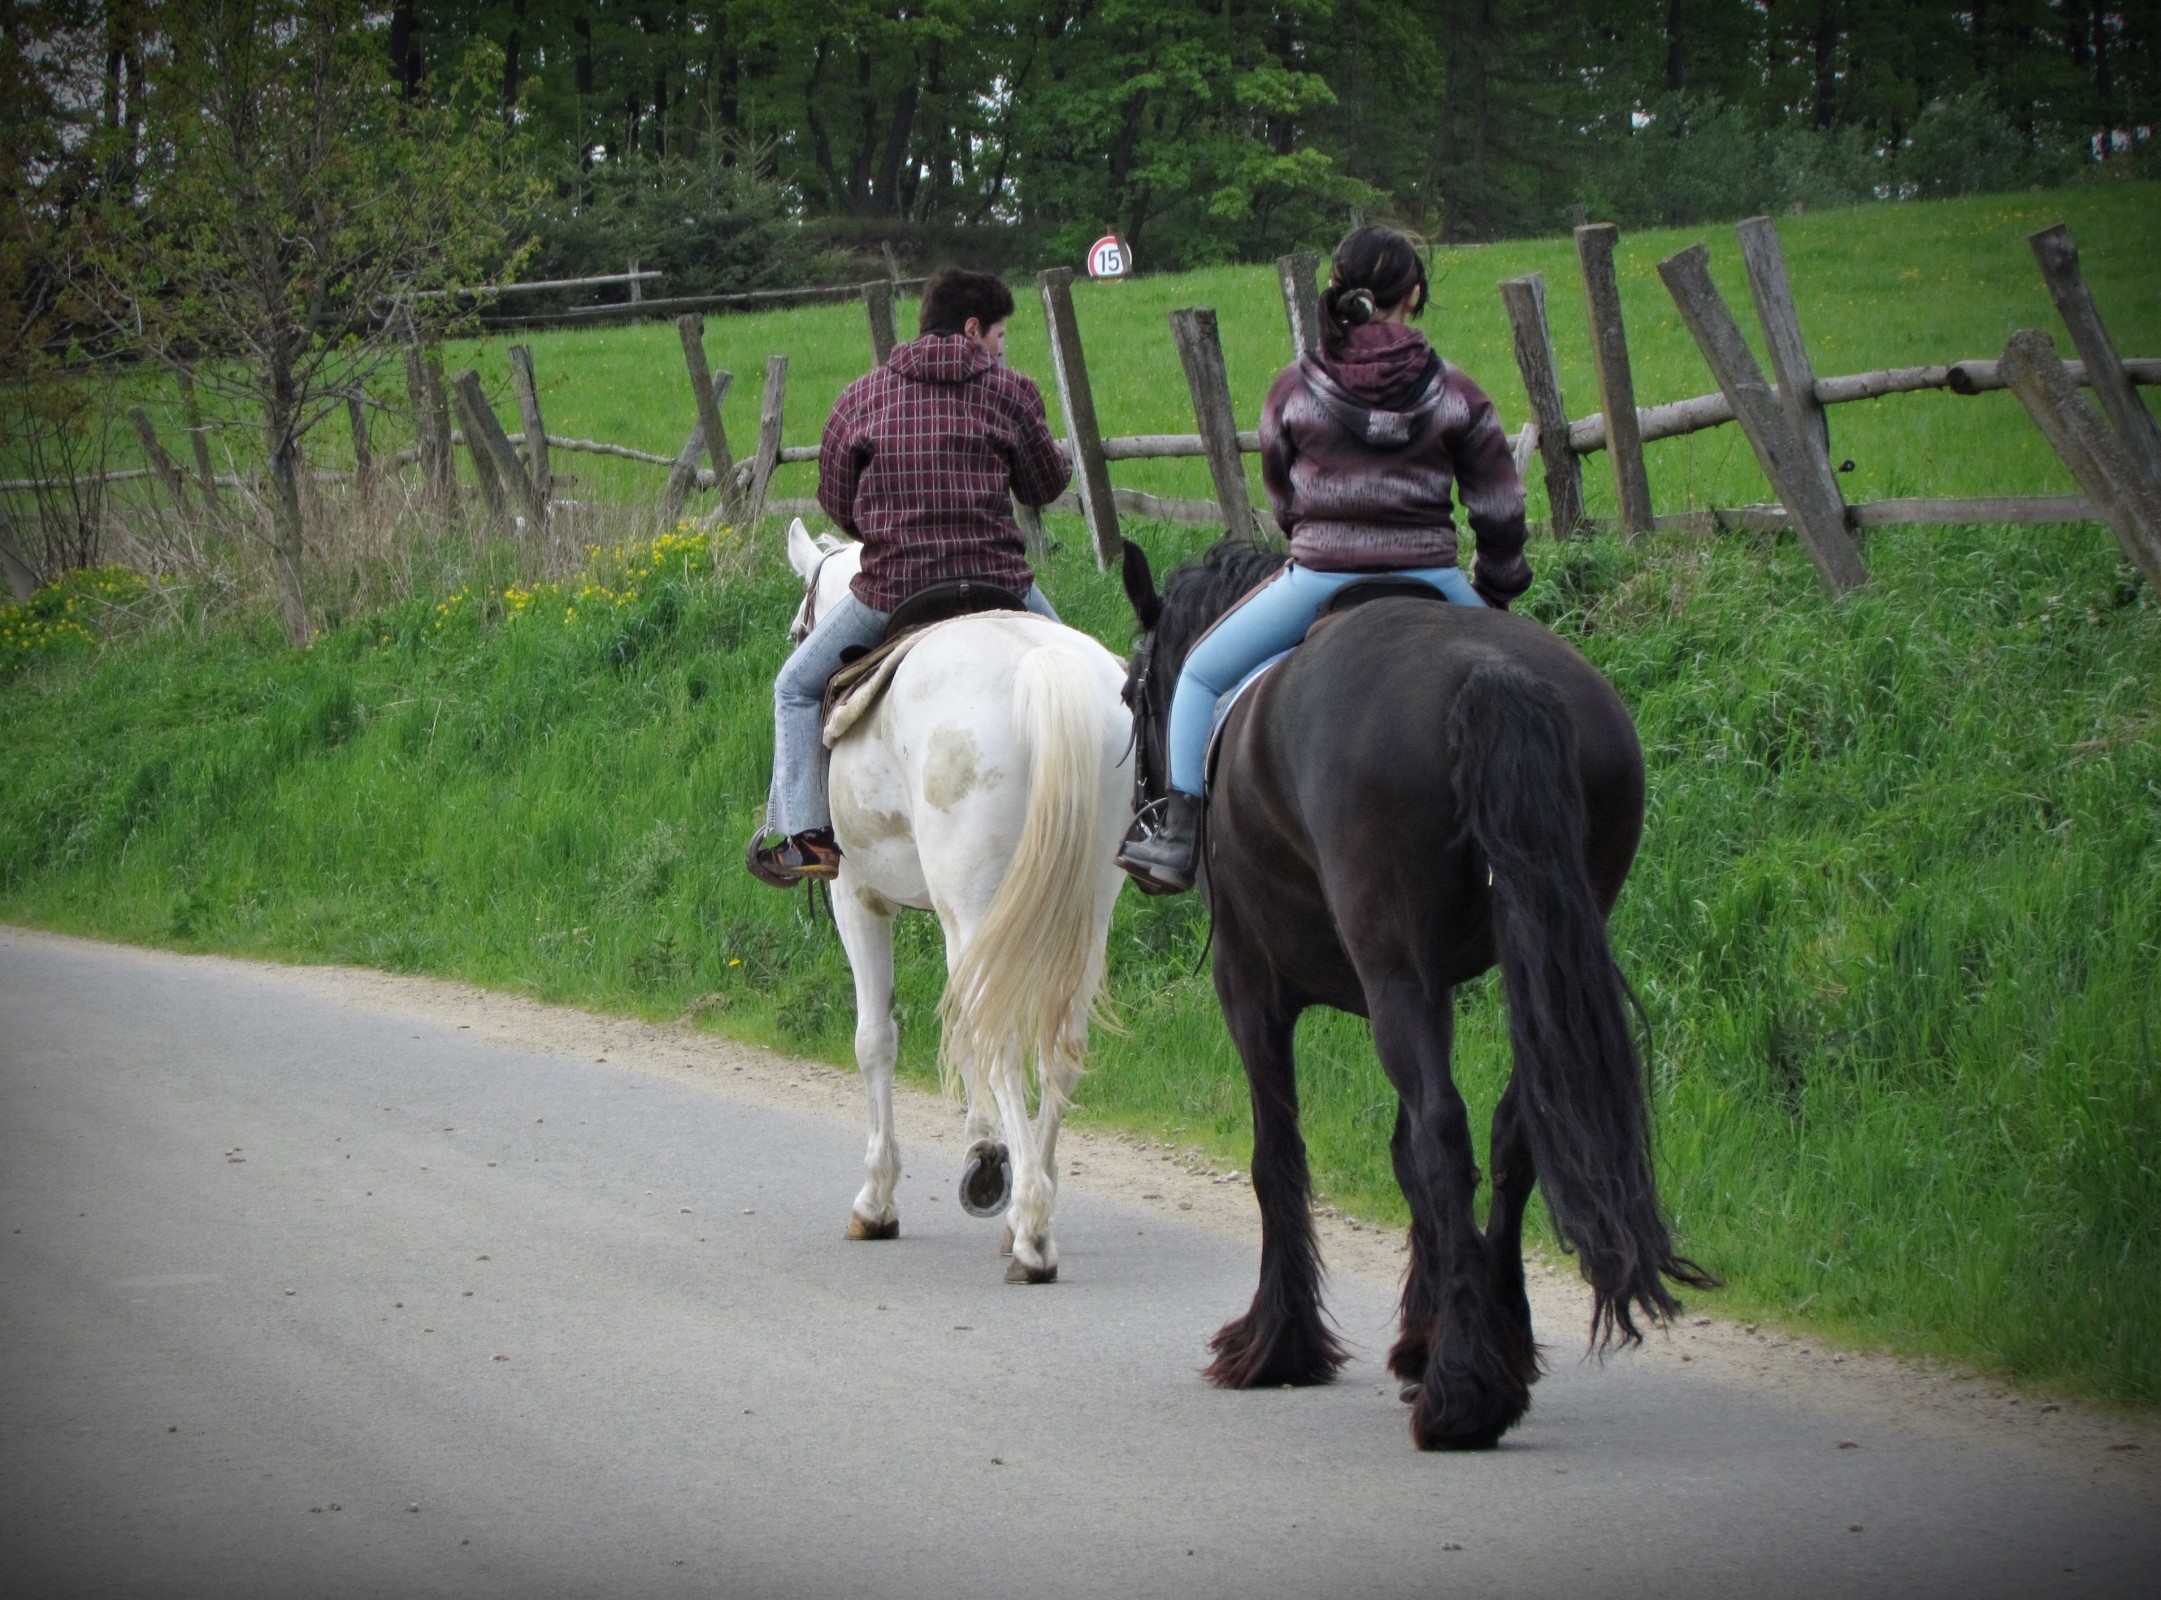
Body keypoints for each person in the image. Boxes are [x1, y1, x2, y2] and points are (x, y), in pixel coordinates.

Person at [1116, 225, 1534, 895]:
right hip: (1433, 576)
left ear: (1336, 290)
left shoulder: (1294, 388)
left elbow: (1282, 495)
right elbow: (1499, 507)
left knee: (1197, 673)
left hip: (1320, 579)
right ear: (1413, 295)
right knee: (1530, 685)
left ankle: (1177, 838)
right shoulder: (1457, 391)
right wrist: (1495, 592)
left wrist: (1318, 534)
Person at [751, 266, 1073, 886]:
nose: (1001, 348)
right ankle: (1139, 807)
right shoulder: (1012, 391)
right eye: (999, 335)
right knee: (1100, 677)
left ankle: (808, 837)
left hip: (894, 591)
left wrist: (887, 530)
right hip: (1000, 585)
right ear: (973, 329)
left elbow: (837, 504)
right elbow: (1045, 486)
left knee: (794, 687)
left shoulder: (861, 397)